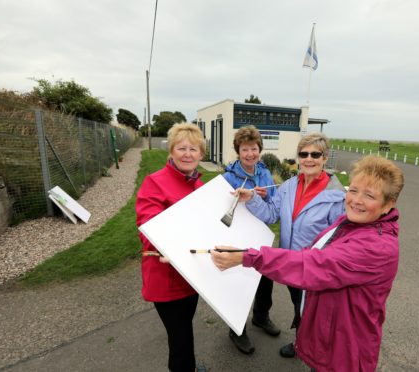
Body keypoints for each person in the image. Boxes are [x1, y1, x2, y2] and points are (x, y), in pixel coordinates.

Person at [211, 155, 405, 372]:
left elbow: (315, 264)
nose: (356, 200)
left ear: (389, 204)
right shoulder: (351, 222)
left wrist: (248, 257)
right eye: (353, 190)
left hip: (345, 349)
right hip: (330, 333)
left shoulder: (375, 247)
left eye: (369, 195)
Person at [232, 132, 346, 358]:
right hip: (292, 263)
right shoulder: (289, 186)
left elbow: (339, 239)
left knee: (315, 312)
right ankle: (302, 344)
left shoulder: (337, 196)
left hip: (317, 268)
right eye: (304, 154)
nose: (309, 159)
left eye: (316, 154)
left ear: (325, 158)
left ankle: (316, 352)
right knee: (299, 305)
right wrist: (252, 199)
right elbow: (272, 213)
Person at [136, 123, 207, 372]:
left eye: (194, 149)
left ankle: (189, 366)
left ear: (201, 154)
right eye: (182, 148)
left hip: (191, 275)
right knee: (179, 340)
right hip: (167, 278)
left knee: (184, 330)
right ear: (172, 151)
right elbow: (148, 226)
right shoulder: (155, 182)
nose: (188, 153)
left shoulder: (199, 185)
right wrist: (173, 244)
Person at [222, 125, 280, 354]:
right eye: (245, 149)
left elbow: (273, 206)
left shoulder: (264, 172)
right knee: (239, 283)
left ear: (259, 149)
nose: (250, 154)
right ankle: (236, 330)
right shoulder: (228, 177)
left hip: (262, 234)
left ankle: (261, 317)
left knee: (266, 280)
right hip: (237, 236)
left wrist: (264, 197)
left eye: (254, 149)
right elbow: (222, 208)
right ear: (238, 151)